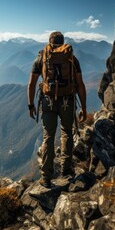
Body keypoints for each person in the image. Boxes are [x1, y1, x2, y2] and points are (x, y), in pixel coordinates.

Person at [27, 31, 87, 188]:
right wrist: (84, 108)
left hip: (48, 102)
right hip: (67, 100)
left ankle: (46, 177)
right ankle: (66, 171)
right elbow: (80, 84)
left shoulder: (42, 58)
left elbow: (32, 84)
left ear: (49, 41)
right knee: (67, 132)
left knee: (48, 136)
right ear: (63, 43)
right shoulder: (72, 59)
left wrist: (30, 104)